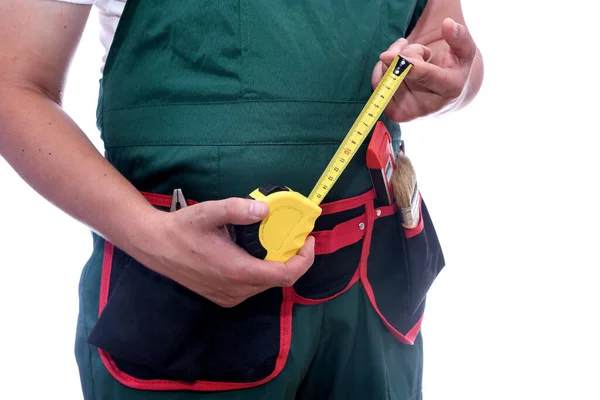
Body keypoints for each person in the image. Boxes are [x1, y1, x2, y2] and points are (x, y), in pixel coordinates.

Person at [0, 0, 483, 398]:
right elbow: (13, 86)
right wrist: (153, 238)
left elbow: (447, 40)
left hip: (372, 292)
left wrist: (453, 83)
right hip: (180, 304)